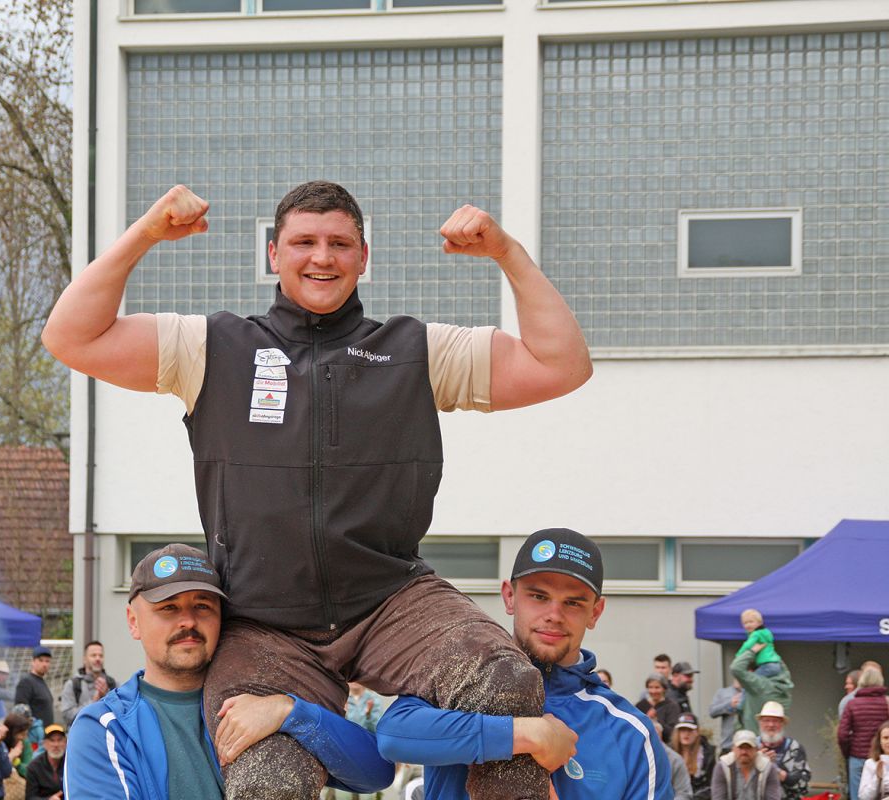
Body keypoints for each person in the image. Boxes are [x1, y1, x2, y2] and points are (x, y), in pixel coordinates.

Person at [44, 181, 593, 799]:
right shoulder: (210, 348)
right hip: (264, 622)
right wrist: (146, 233)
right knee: (266, 775)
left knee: (504, 680)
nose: (322, 257)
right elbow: (72, 336)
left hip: (391, 600)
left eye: (340, 243)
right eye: (304, 242)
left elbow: (561, 364)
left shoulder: (417, 351)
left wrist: (507, 253)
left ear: (364, 257)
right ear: (274, 254)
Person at [65, 544, 395, 800]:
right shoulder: (106, 728)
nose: (188, 621)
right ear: (133, 622)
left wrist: (289, 712)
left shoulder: (259, 702)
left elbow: (375, 772)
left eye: (202, 606)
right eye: (169, 608)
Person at [374, 528, 671, 800]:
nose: (554, 614)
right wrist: (528, 735)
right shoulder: (461, 676)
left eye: (573, 602)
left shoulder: (630, 733)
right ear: (509, 597)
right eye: (539, 596)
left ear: (595, 612)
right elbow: (392, 737)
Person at [840, 669, 889, 800]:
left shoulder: (852, 704)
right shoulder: (886, 703)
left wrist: (848, 753)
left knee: (858, 795)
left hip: (857, 755)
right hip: (881, 756)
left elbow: (842, 734)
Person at [730, 646, 793, 738]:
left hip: (755, 742)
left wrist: (752, 650)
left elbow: (736, 668)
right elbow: (780, 667)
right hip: (776, 740)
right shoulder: (784, 687)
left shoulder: (760, 686)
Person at [754, 702, 809, 800]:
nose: (771, 725)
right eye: (766, 720)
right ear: (760, 723)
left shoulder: (794, 748)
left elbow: (803, 784)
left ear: (783, 724)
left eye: (775, 721)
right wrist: (758, 762)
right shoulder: (751, 746)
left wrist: (775, 770)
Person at [60, 643, 117, 728]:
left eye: (101, 656)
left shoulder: (112, 684)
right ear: (84, 659)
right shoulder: (72, 684)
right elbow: (67, 717)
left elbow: (121, 713)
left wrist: (107, 696)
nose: (98, 659)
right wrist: (93, 702)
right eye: (93, 655)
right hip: (81, 734)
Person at [711, 730, 780, 800]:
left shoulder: (768, 768)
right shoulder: (722, 767)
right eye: (740, 747)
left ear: (756, 749)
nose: (744, 752)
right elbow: (718, 797)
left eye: (748, 748)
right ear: (733, 749)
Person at [671, 713, 716, 800]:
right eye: (682, 730)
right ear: (677, 733)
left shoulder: (708, 755)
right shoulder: (668, 754)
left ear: (697, 732)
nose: (686, 734)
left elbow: (711, 786)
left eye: (690, 730)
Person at [13, 649, 55, 728]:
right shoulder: (26, 682)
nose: (44, 664)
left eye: (47, 661)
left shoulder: (41, 682)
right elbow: (20, 713)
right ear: (33, 662)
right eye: (41, 660)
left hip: (47, 732)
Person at [737, 610, 785, 679]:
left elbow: (747, 645)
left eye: (751, 622)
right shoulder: (766, 632)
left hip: (766, 665)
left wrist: (739, 655)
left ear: (759, 623)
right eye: (745, 623)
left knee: (751, 680)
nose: (748, 625)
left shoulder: (756, 634)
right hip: (776, 664)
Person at [637, 673, 682, 744]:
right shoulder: (640, 705)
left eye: (657, 687)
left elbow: (673, 732)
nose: (653, 691)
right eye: (650, 687)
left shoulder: (672, 706)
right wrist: (646, 719)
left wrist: (656, 721)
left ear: (664, 689)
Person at [24, 725, 65, 800]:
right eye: (52, 740)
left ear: (65, 743)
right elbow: (30, 797)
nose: (56, 745)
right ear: (44, 744)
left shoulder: (71, 764)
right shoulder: (34, 767)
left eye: (59, 740)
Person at [708, 680, 743, 756]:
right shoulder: (723, 692)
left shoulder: (752, 693)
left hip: (747, 746)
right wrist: (729, 704)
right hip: (727, 746)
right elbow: (712, 712)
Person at [856, 720, 889, 800]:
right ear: (879, 741)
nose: (888, 741)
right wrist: (877, 778)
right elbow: (864, 796)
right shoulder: (871, 764)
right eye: (885, 738)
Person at [0, 713, 35, 778]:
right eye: (22, 734)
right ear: (10, 734)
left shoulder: (25, 743)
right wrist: (10, 757)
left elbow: (30, 771)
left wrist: (17, 763)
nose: (24, 738)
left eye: (26, 734)